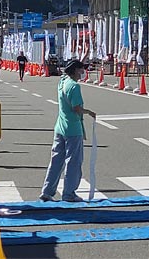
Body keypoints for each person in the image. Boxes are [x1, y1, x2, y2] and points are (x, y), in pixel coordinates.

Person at [40, 60, 96, 202]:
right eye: (81, 70)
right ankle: (69, 193)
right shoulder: (74, 86)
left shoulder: (63, 82)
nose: (83, 72)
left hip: (60, 126)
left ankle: (47, 191)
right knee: (73, 162)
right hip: (73, 128)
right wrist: (88, 112)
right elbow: (76, 108)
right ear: (76, 70)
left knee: (56, 160)